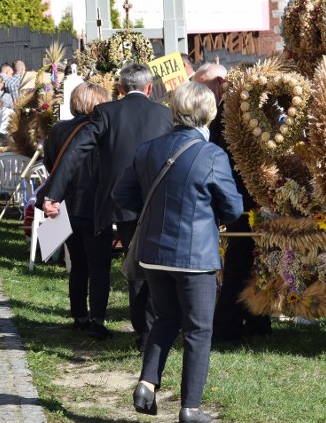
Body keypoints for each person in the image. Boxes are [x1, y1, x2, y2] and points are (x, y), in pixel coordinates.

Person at [113, 81, 243, 423]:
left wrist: (153, 212)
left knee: (165, 319)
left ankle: (146, 383)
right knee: (199, 331)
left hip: (154, 253)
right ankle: (191, 409)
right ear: (210, 114)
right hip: (195, 257)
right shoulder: (212, 154)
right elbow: (232, 208)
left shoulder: (149, 149)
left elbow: (122, 194)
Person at [42, 63, 174, 351]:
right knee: (155, 264)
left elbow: (76, 152)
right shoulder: (165, 113)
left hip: (120, 203)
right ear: (149, 88)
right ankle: (151, 329)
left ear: (120, 89)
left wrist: (53, 193)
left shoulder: (107, 113)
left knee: (135, 263)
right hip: (158, 200)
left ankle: (142, 331)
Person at [192, 63, 272, 345]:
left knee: (242, 261)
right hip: (242, 198)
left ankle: (228, 325)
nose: (198, 91)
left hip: (242, 199)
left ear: (218, 83)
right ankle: (255, 319)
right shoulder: (225, 113)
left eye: (201, 84)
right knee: (246, 261)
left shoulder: (229, 114)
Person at [40, 82, 112, 339]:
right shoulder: (101, 130)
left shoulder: (58, 129)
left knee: (78, 264)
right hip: (95, 205)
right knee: (100, 265)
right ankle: (97, 319)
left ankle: (79, 315)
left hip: (66, 205)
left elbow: (51, 164)